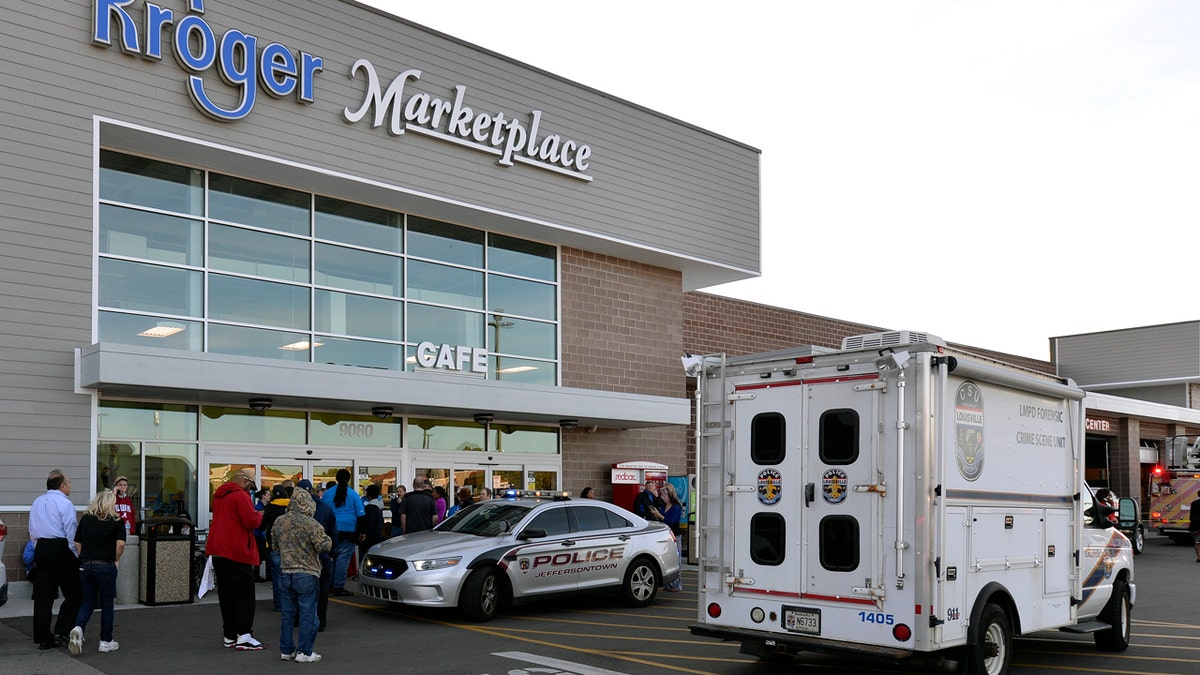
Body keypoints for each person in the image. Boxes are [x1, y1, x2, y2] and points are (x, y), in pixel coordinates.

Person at [206, 468, 266, 650]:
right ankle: (244, 635)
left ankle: (229, 635)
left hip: (218, 551)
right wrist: (259, 514)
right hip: (237, 551)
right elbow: (251, 522)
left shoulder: (219, 496)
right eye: (251, 486)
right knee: (244, 596)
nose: (251, 490)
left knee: (227, 596)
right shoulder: (240, 496)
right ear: (246, 481)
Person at [271, 487, 332, 663]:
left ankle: (286, 650)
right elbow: (323, 546)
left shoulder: (279, 521)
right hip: (306, 573)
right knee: (307, 613)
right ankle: (304, 652)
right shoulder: (310, 523)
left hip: (285, 572)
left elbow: (274, 546)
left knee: (288, 613)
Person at [69, 490, 127, 655]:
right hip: (106, 565)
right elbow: (121, 543)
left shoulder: (86, 519)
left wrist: (84, 557)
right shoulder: (116, 520)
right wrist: (116, 559)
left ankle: (78, 628)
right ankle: (106, 641)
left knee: (87, 601)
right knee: (107, 603)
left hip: (86, 565)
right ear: (111, 503)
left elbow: (77, 542)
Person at [30, 469, 81, 650]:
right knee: (74, 592)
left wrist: (38, 548)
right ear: (61, 486)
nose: (70, 486)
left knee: (43, 596)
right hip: (60, 548)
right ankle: (62, 631)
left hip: (41, 548)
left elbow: (32, 529)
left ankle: (44, 638)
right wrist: (75, 554)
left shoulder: (37, 502)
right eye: (68, 482)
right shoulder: (65, 503)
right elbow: (70, 530)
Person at [298, 479, 337, 632]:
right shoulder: (326, 509)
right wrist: (332, 553)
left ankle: (299, 619)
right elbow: (333, 532)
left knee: (300, 590)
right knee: (322, 589)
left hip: (302, 557)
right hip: (322, 555)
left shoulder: (294, 511)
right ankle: (320, 621)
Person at [321, 469, 365, 597]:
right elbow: (361, 515)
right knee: (343, 560)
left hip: (331, 530)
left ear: (336, 478)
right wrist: (362, 532)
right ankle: (338, 586)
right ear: (349, 479)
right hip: (349, 531)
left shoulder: (327, 494)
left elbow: (323, 511)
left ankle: (328, 584)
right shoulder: (353, 494)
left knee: (331, 559)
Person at [261, 484, 292, 611]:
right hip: (290, 546)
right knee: (290, 575)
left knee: (277, 577)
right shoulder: (292, 506)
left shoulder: (270, 507)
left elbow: (261, 526)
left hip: (274, 545)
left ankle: (279, 605)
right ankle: (290, 603)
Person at [654, 484, 684, 592]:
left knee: (676, 560)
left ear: (670, 495)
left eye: (664, 495)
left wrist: (659, 515)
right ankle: (666, 583)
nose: (663, 498)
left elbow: (670, 520)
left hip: (674, 535)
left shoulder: (676, 507)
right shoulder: (663, 506)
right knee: (665, 558)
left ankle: (676, 584)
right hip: (665, 535)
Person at [359, 483, 385, 561]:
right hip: (377, 537)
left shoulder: (370, 508)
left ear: (368, 494)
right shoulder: (379, 506)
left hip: (369, 539)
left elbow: (369, 525)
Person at [253, 487, 270, 582]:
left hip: (262, 534)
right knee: (259, 556)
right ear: (263, 496)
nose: (270, 496)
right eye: (268, 494)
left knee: (263, 555)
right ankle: (256, 575)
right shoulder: (258, 508)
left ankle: (264, 575)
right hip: (258, 534)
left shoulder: (264, 507)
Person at [1191, 495, 1200, 563]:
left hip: (1196, 524)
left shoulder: (1194, 503)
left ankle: (1198, 557)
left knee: (1197, 542)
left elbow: (1191, 515)